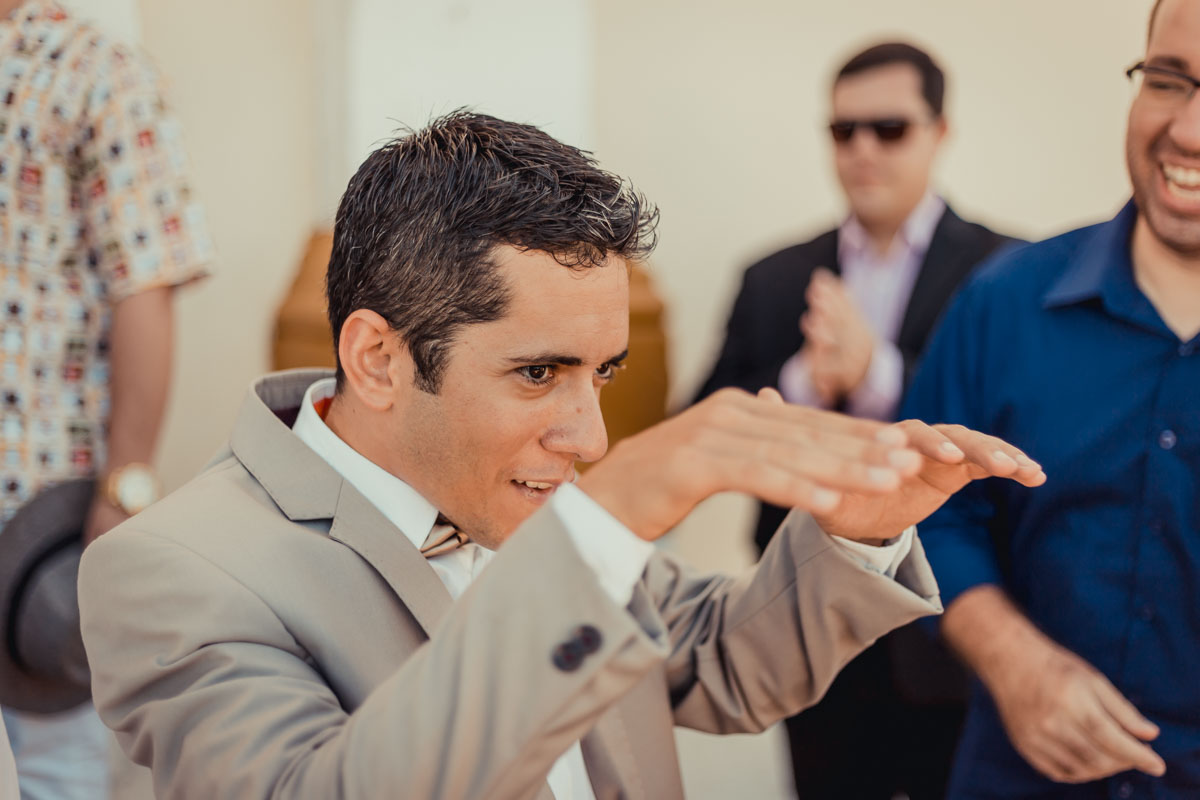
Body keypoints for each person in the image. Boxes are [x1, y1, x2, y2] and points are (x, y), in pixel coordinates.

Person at [77, 111, 1044, 799]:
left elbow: (725, 665)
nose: (590, 437)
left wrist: (860, 533)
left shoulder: (524, 500)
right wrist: (602, 522)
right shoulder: (168, 570)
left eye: (603, 374)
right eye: (539, 373)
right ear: (377, 357)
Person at [694, 42, 1015, 798]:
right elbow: (702, 423)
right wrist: (805, 379)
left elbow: (1012, 428)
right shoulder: (772, 277)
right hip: (807, 630)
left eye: (889, 128)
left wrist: (878, 377)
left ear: (941, 133)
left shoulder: (1005, 273)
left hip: (950, 629)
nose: (863, 149)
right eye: (844, 131)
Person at [900, 1, 1200, 797]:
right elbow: (928, 512)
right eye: (1170, 80)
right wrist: (1012, 658)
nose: (1190, 132)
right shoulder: (1002, 301)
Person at [0, 0, 211, 797]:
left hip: (39, 517)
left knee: (60, 763)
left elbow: (144, 288)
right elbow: (145, 283)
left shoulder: (99, 71)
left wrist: (125, 489)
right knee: (59, 770)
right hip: (42, 501)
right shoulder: (103, 69)